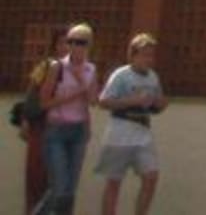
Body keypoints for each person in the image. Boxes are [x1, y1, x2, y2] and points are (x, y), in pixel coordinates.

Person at [93, 35, 162, 215]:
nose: (149, 59)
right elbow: (104, 101)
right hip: (120, 132)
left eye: (151, 55)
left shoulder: (153, 77)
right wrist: (132, 101)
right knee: (114, 182)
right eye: (145, 55)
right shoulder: (121, 75)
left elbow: (157, 102)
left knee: (151, 177)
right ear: (133, 55)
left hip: (143, 132)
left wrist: (159, 103)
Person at [33, 25, 97, 215]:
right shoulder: (57, 67)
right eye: (71, 42)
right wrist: (74, 94)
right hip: (57, 130)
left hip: (78, 131)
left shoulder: (90, 69)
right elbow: (43, 102)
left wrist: (81, 81)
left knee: (69, 190)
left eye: (80, 42)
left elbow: (93, 100)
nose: (74, 46)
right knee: (59, 188)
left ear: (89, 45)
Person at [12, 29, 61, 215]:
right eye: (62, 43)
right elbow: (32, 92)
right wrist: (26, 119)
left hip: (63, 128)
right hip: (41, 126)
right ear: (55, 46)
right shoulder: (46, 66)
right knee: (35, 175)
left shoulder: (79, 70)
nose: (66, 47)